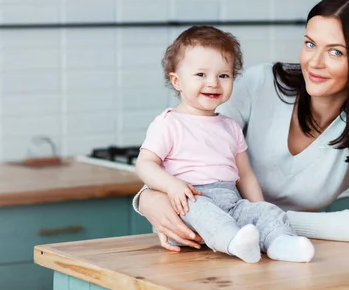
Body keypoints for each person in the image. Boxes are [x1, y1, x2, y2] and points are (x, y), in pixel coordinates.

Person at [133, 0, 349, 252]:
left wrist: (270, 222)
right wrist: (148, 198)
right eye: (310, 44)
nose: (315, 62)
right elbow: (196, 148)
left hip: (281, 248)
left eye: (335, 52)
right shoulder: (260, 84)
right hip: (211, 249)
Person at [135, 25, 315, 263]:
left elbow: (246, 175)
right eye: (201, 75)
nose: (213, 83)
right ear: (177, 81)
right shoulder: (168, 123)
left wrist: (259, 211)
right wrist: (172, 187)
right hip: (188, 205)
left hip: (230, 203)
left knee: (268, 211)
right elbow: (144, 165)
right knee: (202, 209)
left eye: (223, 75)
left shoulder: (230, 127)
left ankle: (280, 243)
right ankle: (235, 243)